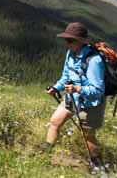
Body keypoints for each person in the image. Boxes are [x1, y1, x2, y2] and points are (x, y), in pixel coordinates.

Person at [44, 22, 105, 172]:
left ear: (81, 41)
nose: (67, 43)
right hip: (72, 98)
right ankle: (45, 155)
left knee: (88, 136)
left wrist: (78, 88)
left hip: (91, 104)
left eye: (70, 40)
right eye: (66, 40)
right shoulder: (70, 54)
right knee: (54, 122)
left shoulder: (94, 61)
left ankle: (99, 167)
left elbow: (98, 90)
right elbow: (65, 76)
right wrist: (55, 88)